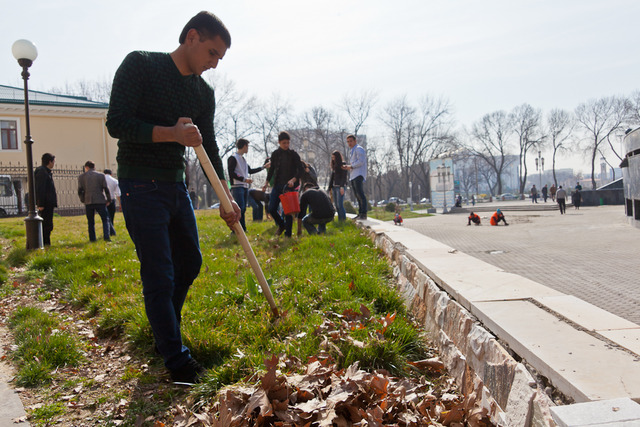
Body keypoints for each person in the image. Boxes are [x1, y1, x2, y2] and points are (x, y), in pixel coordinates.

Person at [105, 11, 240, 384]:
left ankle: (165, 328)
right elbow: (117, 122)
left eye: (219, 59)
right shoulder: (141, 65)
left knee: (190, 262)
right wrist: (172, 134)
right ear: (192, 37)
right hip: (139, 183)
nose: (214, 65)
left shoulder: (202, 93)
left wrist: (227, 198)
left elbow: (209, 146)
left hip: (176, 186)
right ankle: (177, 362)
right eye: (212, 53)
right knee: (159, 273)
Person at [263, 131, 302, 237]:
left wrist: (293, 180)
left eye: (288, 143)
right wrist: (266, 183)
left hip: (289, 186)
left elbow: (301, 169)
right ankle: (282, 225)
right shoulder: (275, 154)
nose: (286, 145)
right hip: (277, 185)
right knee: (271, 209)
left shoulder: (293, 154)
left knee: (288, 212)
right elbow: (271, 170)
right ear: (279, 142)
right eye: (284, 143)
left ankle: (288, 235)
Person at [227, 138, 270, 232]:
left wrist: (263, 167)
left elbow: (250, 171)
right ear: (244, 146)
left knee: (243, 209)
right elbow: (231, 173)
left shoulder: (243, 159)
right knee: (240, 208)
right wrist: (244, 179)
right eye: (248, 146)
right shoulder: (233, 158)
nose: (248, 148)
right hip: (237, 187)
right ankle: (236, 230)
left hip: (245, 187)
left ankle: (242, 228)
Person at [78, 161, 112, 242]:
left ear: (86, 167)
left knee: (90, 221)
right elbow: (106, 188)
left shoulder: (82, 177)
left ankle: (92, 239)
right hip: (100, 200)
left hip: (88, 200)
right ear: (94, 167)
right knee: (105, 219)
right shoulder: (101, 175)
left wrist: (82, 199)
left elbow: (80, 190)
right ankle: (106, 236)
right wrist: (108, 199)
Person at [34, 153, 57, 246]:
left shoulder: (46, 171)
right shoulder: (42, 172)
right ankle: (45, 243)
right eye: (53, 161)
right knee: (46, 224)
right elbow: (41, 189)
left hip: (48, 203)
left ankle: (46, 242)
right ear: (49, 161)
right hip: (46, 203)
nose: (54, 164)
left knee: (48, 224)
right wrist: (41, 204)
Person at [343, 134, 368, 220]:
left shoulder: (359, 149)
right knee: (357, 195)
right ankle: (360, 213)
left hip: (358, 174)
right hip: (353, 175)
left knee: (360, 194)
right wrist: (349, 167)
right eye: (348, 142)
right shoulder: (352, 151)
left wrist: (351, 166)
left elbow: (361, 161)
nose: (349, 143)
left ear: (355, 141)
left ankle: (363, 213)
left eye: (351, 141)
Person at [328, 150, 347, 221]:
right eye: (332, 158)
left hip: (340, 187)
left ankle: (343, 220)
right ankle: (340, 220)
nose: (333, 159)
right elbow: (332, 178)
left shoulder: (343, 164)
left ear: (338, 157)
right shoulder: (334, 166)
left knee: (340, 204)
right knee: (336, 205)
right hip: (334, 187)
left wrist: (342, 187)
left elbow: (344, 177)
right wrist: (330, 187)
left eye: (334, 157)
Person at [104, 169, 121, 236]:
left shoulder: (102, 179)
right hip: (112, 199)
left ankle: (108, 231)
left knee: (105, 217)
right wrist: (120, 203)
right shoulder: (114, 180)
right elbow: (118, 193)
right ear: (111, 174)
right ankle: (111, 231)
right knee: (111, 216)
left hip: (103, 200)